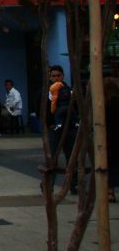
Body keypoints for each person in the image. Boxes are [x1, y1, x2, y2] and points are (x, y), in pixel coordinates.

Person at [47, 65, 77, 193]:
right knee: (52, 157)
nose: (56, 78)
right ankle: (50, 184)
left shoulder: (68, 90)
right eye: (53, 76)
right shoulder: (47, 91)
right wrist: (50, 124)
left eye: (58, 75)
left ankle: (74, 184)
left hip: (69, 128)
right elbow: (41, 109)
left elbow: (76, 108)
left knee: (71, 157)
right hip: (54, 129)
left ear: (63, 76)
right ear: (50, 77)